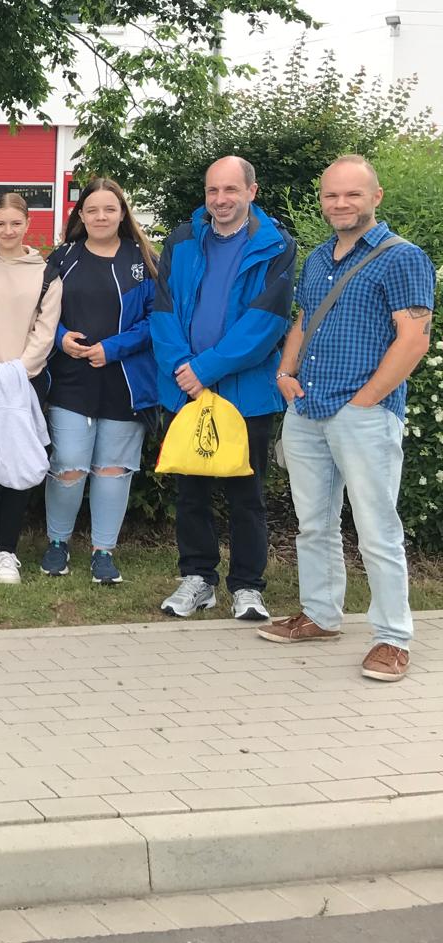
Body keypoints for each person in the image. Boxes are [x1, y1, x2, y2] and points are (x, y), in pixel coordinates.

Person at [261, 155, 434, 682]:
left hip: (363, 414)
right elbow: (304, 320)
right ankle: (320, 615)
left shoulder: (402, 257)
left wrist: (365, 401)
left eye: (352, 194)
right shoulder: (318, 258)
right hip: (307, 408)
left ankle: (393, 638)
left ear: (375, 197)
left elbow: (414, 338)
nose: (340, 203)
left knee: (377, 529)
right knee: (314, 524)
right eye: (332, 195)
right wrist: (285, 372)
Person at [151, 155, 295, 621]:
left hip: (245, 394)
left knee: (246, 496)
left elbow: (266, 323)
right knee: (190, 491)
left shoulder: (275, 246)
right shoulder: (181, 241)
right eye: (213, 190)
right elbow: (162, 310)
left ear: (252, 191)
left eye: (231, 189)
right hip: (185, 390)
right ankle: (198, 579)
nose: (220, 199)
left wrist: (205, 369)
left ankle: (248, 586)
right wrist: (183, 369)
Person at [40, 178, 159, 585]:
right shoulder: (63, 258)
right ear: (81, 215)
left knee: (113, 469)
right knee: (68, 465)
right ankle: (58, 544)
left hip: (126, 381)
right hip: (70, 380)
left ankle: (103, 552)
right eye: (92, 210)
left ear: (122, 213)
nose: (101, 216)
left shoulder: (145, 260)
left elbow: (157, 321)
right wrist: (60, 338)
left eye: (110, 209)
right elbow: (40, 313)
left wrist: (113, 348)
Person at [0, 191, 62, 584]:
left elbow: (44, 333)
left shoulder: (47, 274)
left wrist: (14, 375)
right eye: (0, 224)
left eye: (15, 223)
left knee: (16, 464)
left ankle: (8, 551)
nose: (8, 230)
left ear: (27, 225)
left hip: (23, 383)